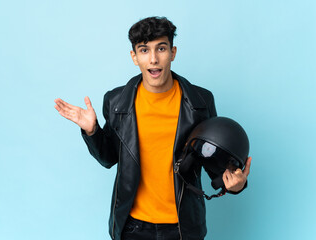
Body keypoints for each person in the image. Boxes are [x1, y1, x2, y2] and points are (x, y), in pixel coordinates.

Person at [54, 16, 251, 240]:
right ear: (134, 57)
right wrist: (92, 131)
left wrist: (236, 185)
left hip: (182, 226)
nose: (154, 59)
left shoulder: (200, 101)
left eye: (161, 48)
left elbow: (213, 163)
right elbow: (109, 158)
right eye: (144, 50)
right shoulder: (117, 101)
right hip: (133, 227)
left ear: (173, 53)